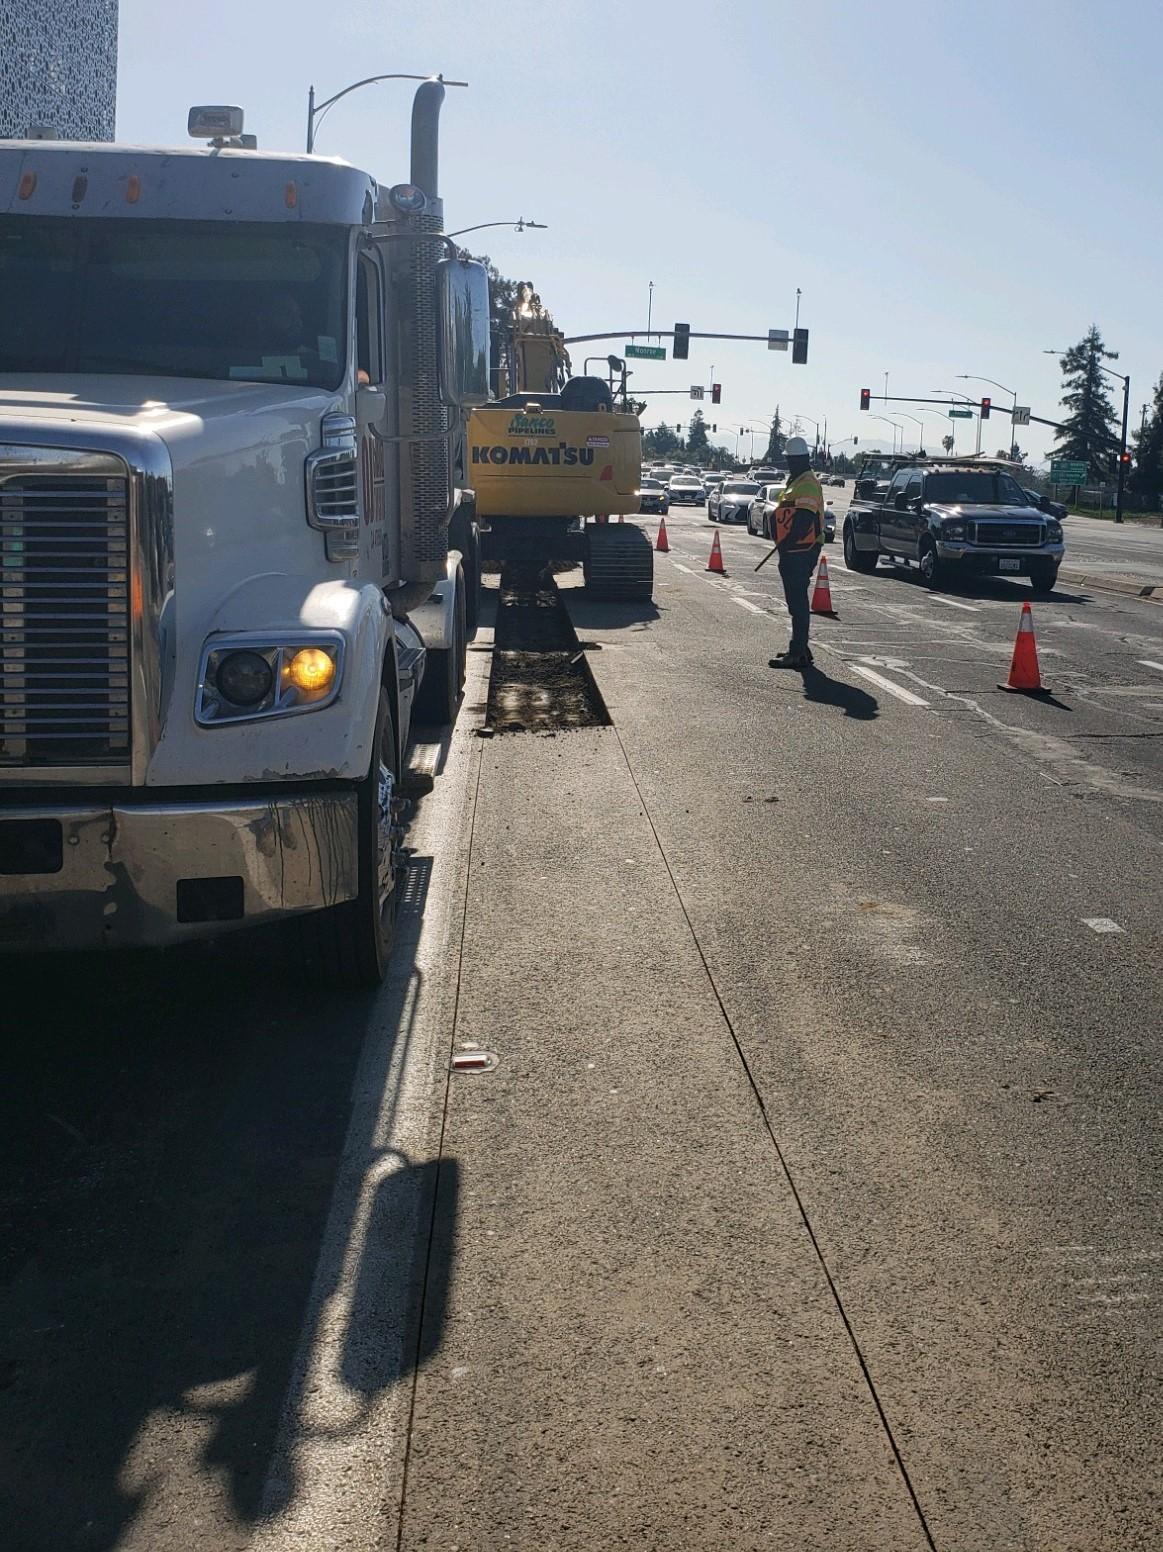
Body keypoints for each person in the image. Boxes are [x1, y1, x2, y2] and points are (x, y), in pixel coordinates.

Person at [767, 435, 825, 670]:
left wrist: (786, 543)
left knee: (797, 600)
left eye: (790, 459)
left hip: (801, 549)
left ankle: (798, 651)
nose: (788, 463)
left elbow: (804, 519)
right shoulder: (798, 480)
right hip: (795, 548)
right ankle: (801, 646)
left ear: (799, 459)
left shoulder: (807, 483)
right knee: (795, 599)